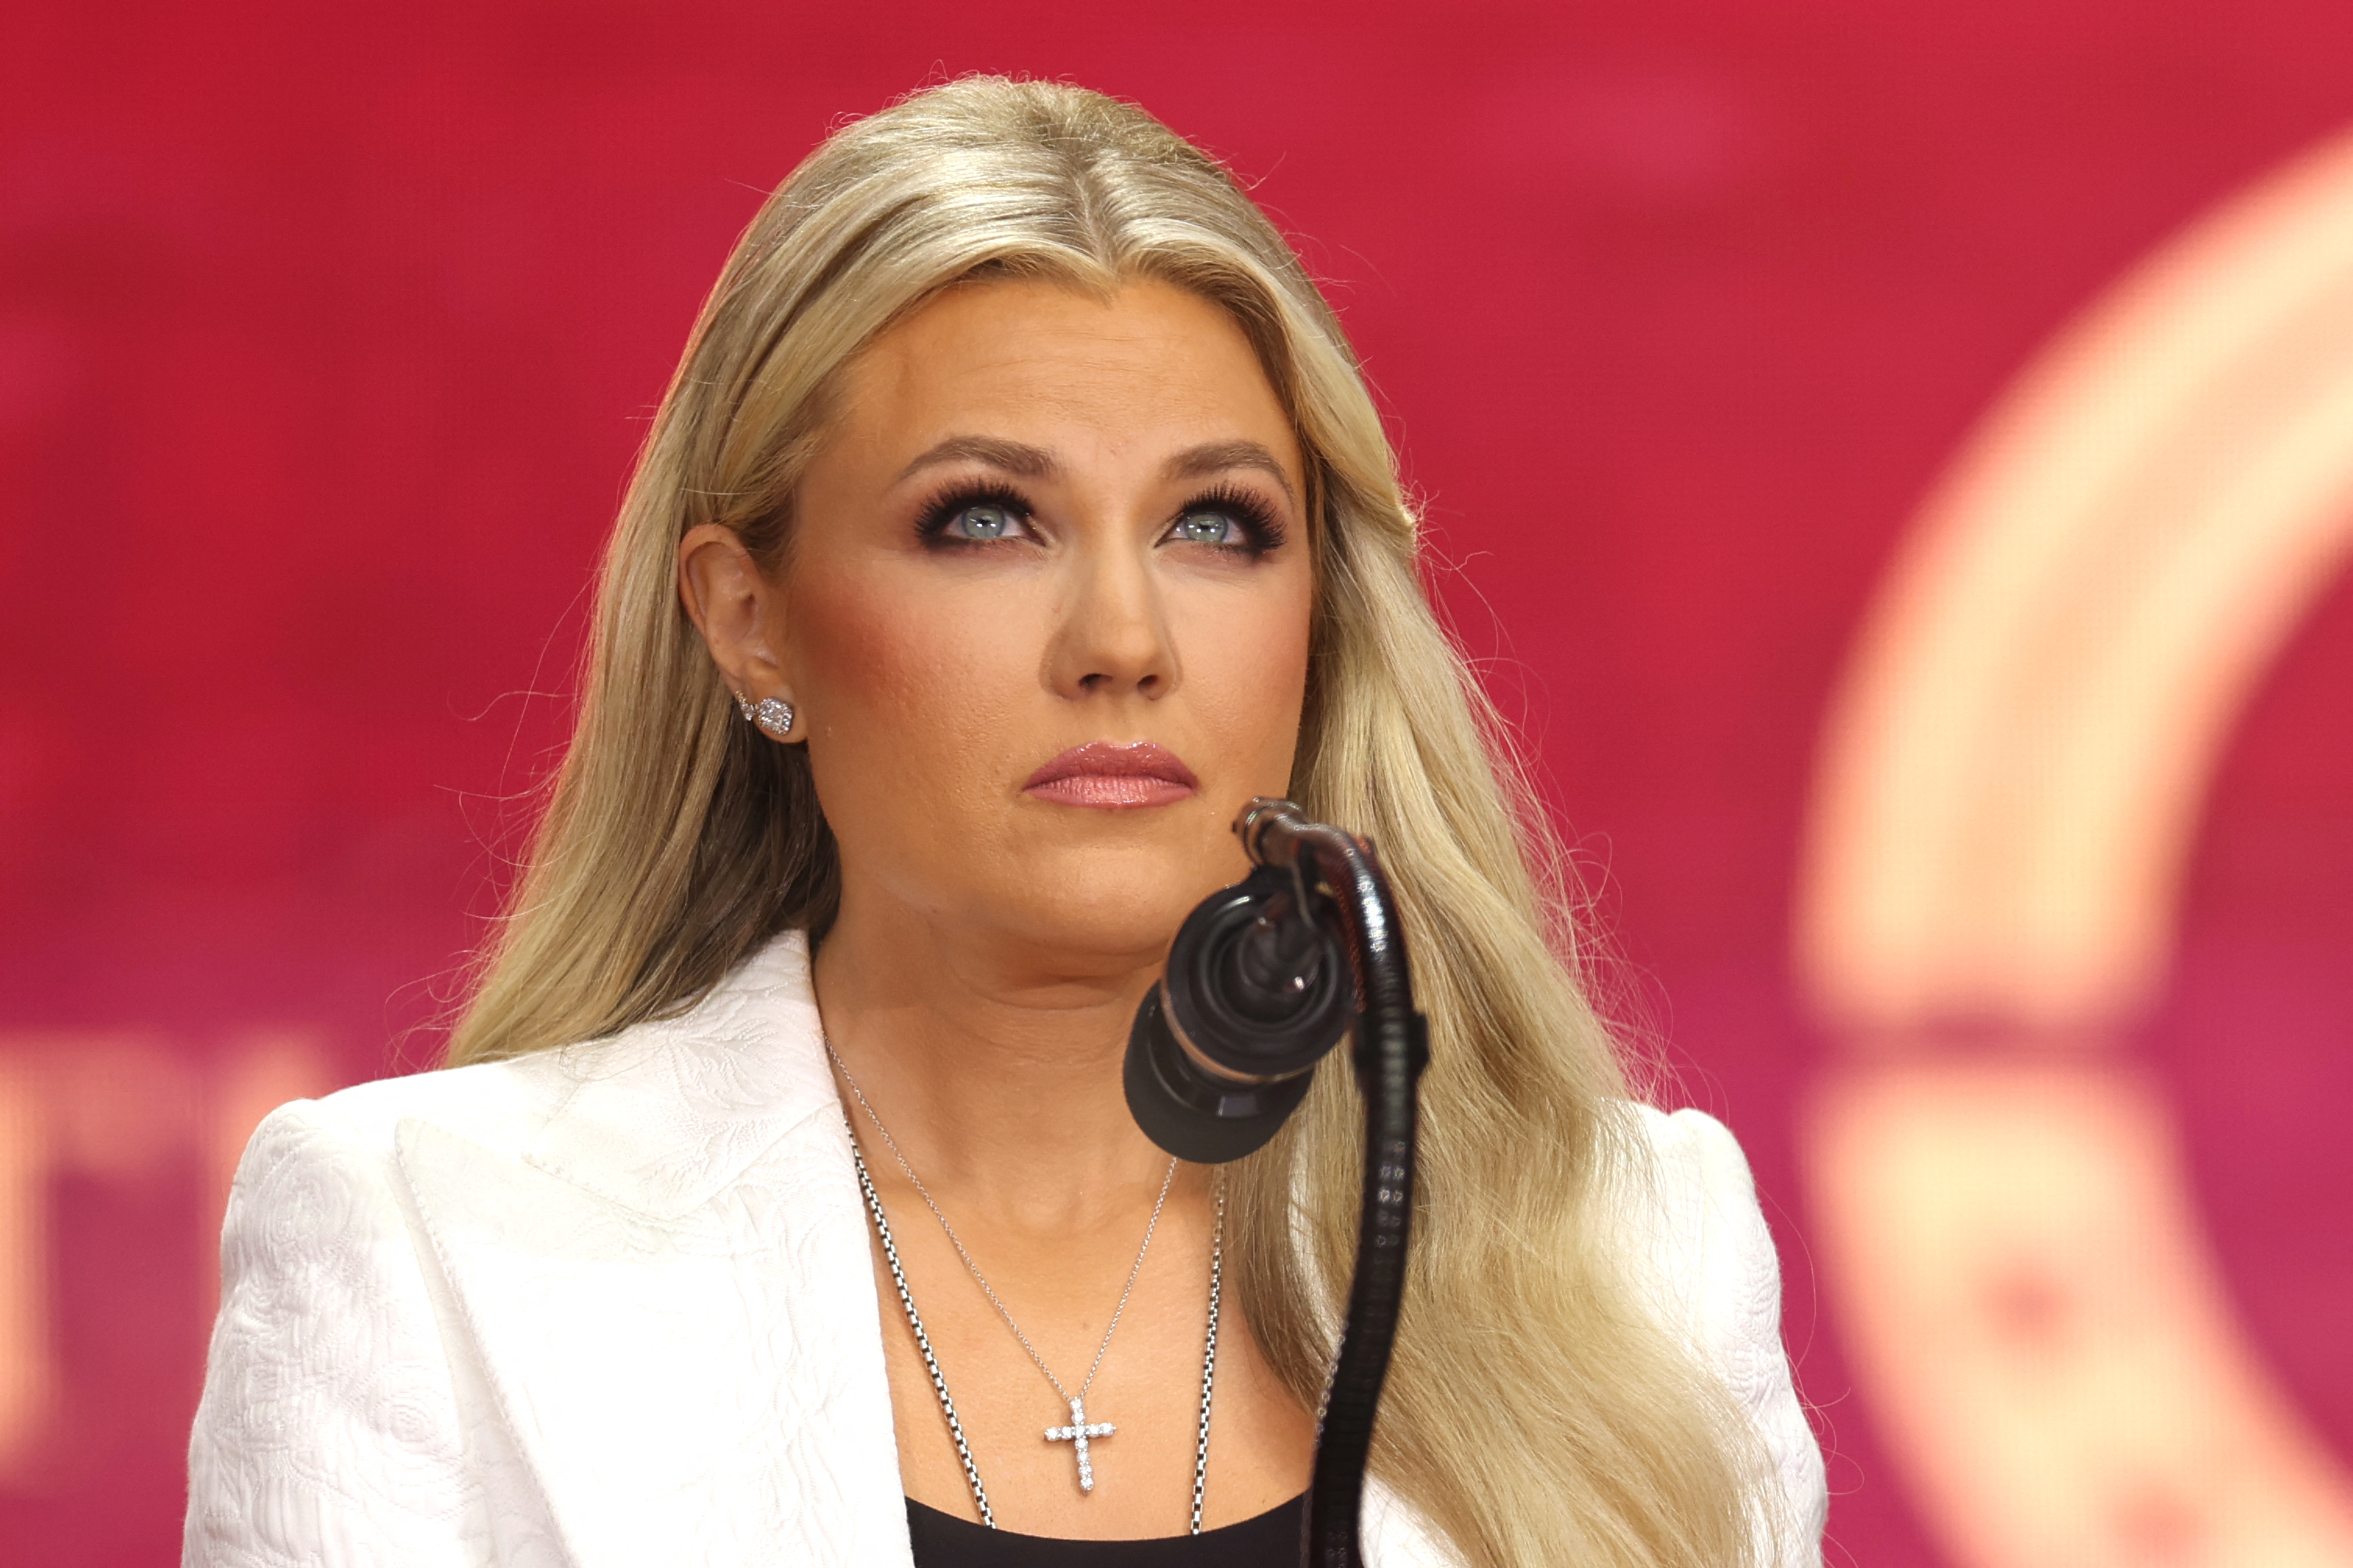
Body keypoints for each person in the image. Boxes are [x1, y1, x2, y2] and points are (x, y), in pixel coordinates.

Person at [183, 76, 1825, 1568]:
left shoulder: (1641, 1252)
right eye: (986, 519)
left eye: (1215, 524)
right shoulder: (425, 1243)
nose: (1122, 637)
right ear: (751, 620)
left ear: (1318, 616)